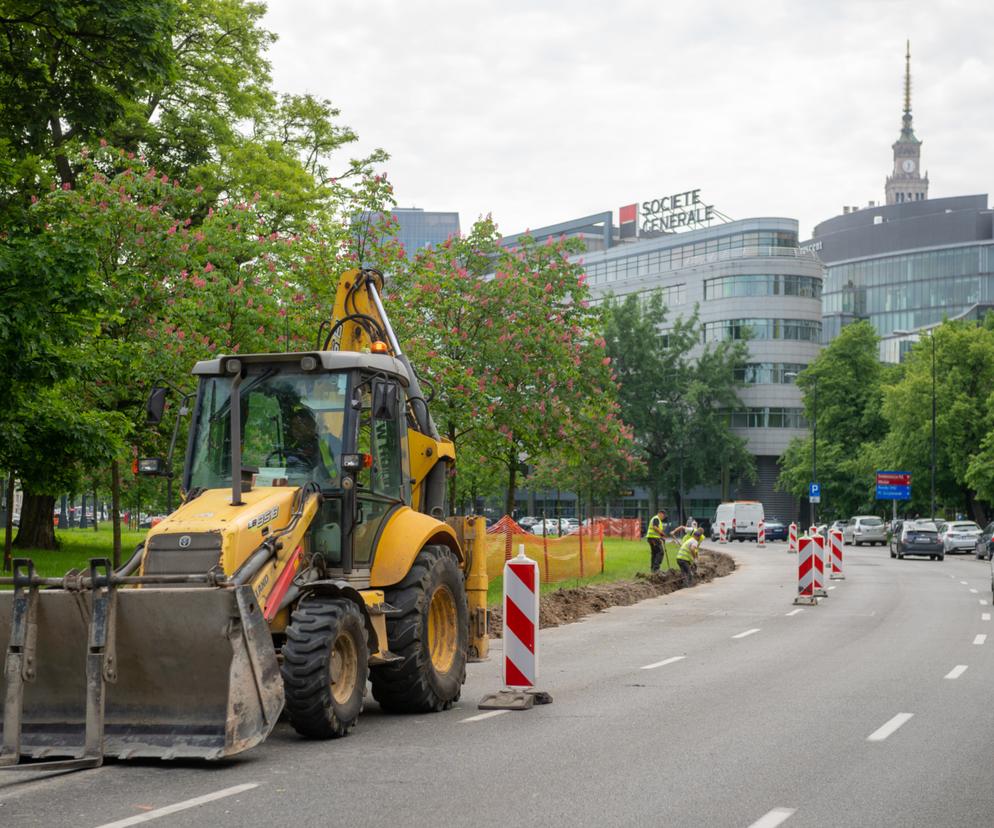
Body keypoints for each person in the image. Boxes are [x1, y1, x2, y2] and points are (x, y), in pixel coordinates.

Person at [646, 508, 668, 573]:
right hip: (653, 538)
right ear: (660, 514)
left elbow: (656, 530)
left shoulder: (657, 519)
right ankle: (656, 568)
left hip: (652, 538)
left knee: (654, 553)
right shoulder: (656, 518)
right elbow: (655, 527)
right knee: (660, 552)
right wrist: (662, 534)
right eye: (663, 516)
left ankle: (653, 569)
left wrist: (661, 537)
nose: (663, 518)